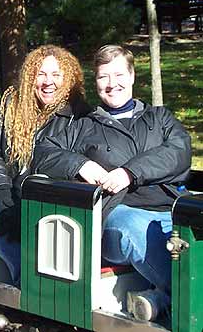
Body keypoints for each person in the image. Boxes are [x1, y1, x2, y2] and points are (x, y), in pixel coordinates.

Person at [32, 45, 191, 322]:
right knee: (135, 228)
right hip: (117, 215)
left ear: (131, 77)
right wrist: (80, 164)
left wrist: (130, 172)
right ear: (96, 83)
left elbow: (180, 151)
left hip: (170, 208)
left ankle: (160, 297)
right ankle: (192, 299)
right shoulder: (83, 125)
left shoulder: (159, 118)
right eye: (103, 77)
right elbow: (43, 152)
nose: (111, 84)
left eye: (118, 75)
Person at [0, 45, 88, 285]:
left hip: (46, 199)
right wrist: (1, 191)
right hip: (5, 189)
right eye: (41, 74)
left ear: (67, 78)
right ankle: (24, 279)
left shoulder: (80, 115)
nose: (49, 82)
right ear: (29, 77)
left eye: (56, 75)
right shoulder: (10, 103)